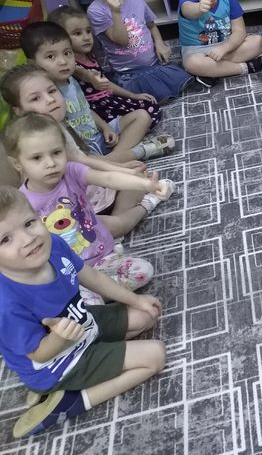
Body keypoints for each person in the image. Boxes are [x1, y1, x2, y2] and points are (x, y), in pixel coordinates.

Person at [0, 186, 166, 438]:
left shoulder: (52, 244)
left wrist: (136, 300)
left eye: (29, 223)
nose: (28, 239)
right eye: (5, 239)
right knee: (155, 356)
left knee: (147, 314)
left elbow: (92, 277)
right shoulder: (6, 305)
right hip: (55, 363)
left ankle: (96, 359)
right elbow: (38, 354)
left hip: (81, 324)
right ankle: (72, 401)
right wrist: (59, 338)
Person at [5, 112, 174, 305]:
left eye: (57, 152)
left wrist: (146, 185)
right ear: (17, 163)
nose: (50, 163)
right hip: (69, 272)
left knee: (143, 271)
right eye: (37, 158)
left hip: (102, 255)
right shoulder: (22, 202)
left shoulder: (71, 171)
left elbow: (107, 178)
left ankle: (101, 294)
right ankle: (101, 296)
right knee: (90, 304)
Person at [0, 64, 168, 240]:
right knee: (119, 216)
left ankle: (117, 222)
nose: (50, 100)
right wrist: (124, 170)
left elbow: (86, 161)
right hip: (75, 208)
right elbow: (84, 162)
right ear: (19, 110)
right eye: (36, 98)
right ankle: (145, 206)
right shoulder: (39, 141)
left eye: (52, 91)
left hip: (90, 190)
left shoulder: (56, 127)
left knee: (137, 181)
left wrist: (125, 171)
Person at [20, 22, 175, 163]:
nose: (63, 61)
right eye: (51, 56)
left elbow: (85, 110)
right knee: (83, 164)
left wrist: (105, 128)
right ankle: (132, 154)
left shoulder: (71, 80)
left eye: (67, 53)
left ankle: (112, 159)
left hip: (99, 137)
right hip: (81, 150)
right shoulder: (47, 95)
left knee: (142, 116)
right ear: (33, 63)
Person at [79, 0, 193, 102]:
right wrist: (115, 12)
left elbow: (151, 26)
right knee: (148, 98)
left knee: (182, 79)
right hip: (128, 72)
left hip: (153, 63)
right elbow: (122, 40)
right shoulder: (95, 11)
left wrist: (160, 44)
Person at [49, 6, 162, 129]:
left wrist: (132, 95)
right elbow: (81, 72)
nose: (86, 37)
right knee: (144, 117)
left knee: (151, 107)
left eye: (88, 31)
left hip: (108, 99)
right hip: (97, 111)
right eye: (77, 33)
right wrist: (91, 77)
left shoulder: (90, 57)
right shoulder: (69, 65)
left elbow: (106, 84)